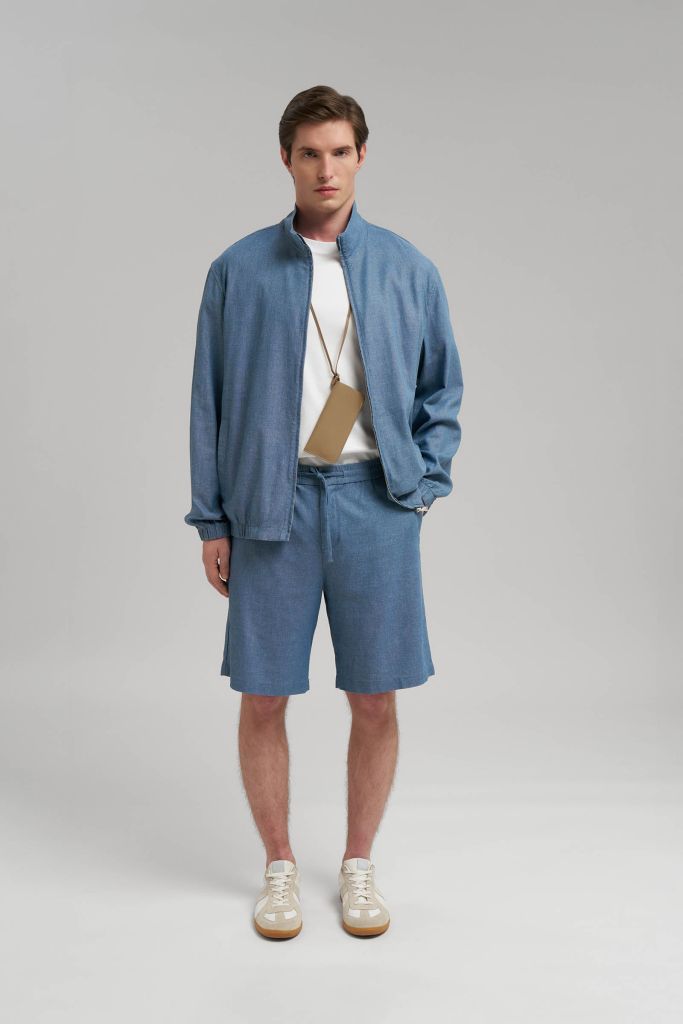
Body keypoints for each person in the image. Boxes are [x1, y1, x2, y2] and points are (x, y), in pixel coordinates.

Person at [184, 85, 464, 939]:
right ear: (286, 160)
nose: (326, 169)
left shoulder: (409, 268)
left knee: (374, 698)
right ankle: (277, 866)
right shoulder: (238, 270)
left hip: (375, 502)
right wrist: (212, 519)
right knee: (264, 694)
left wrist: (421, 483)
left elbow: (441, 389)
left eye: (340, 151)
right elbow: (208, 402)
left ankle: (357, 864)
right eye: (309, 153)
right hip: (272, 505)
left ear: (361, 156)